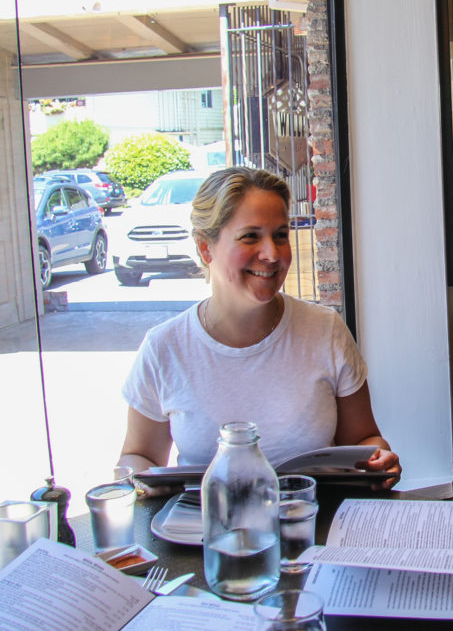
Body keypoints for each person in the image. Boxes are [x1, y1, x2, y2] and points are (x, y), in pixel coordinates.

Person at [118, 167, 401, 489]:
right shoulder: (165, 348)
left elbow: (364, 438)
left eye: (280, 235)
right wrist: (133, 481)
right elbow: (139, 457)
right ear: (205, 248)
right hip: (206, 532)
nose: (272, 254)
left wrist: (378, 458)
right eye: (250, 236)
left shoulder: (325, 331)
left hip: (312, 524)